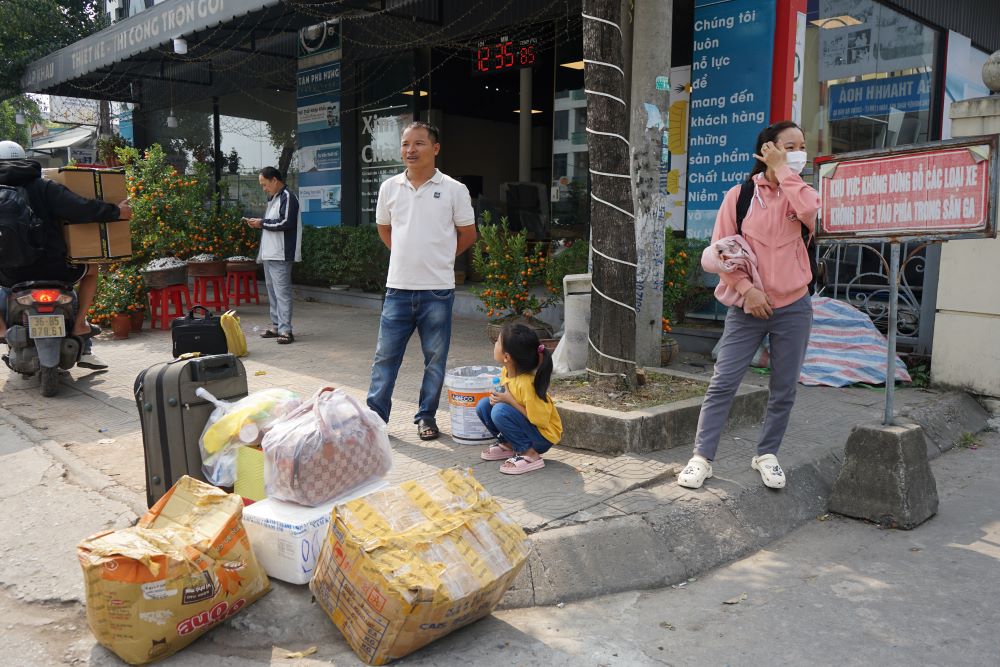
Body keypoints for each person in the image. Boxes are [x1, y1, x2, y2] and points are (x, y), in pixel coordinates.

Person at [678, 121, 819, 490]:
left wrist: (784, 170)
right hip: (746, 307)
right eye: (790, 146)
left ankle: (767, 454)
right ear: (767, 150)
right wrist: (746, 290)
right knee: (723, 382)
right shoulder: (739, 195)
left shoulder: (800, 192)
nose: (799, 151)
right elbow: (719, 251)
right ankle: (701, 457)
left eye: (801, 145)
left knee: (784, 387)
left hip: (794, 306)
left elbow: (810, 211)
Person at [366, 121, 478, 440]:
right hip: (398, 289)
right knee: (385, 357)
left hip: (437, 292)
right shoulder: (389, 187)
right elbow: (384, 229)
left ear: (435, 148)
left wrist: (442, 258)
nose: (410, 150)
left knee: (435, 359)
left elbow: (468, 233)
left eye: (418, 143)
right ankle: (375, 421)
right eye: (405, 144)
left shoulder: (454, 189)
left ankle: (426, 416)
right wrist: (403, 253)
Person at [0, 140, 131, 369]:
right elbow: (81, 208)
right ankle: (80, 324)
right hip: (57, 269)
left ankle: (1, 328)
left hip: (11, 273)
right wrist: (116, 212)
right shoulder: (45, 186)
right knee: (92, 270)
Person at [477, 323, 562, 475]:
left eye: (497, 342)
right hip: (529, 429)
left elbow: (540, 421)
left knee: (499, 411)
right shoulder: (506, 372)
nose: (494, 344)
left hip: (542, 437)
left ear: (506, 357)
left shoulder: (527, 384)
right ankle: (508, 445)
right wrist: (499, 398)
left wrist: (509, 401)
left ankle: (530, 454)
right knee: (484, 405)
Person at [244, 166, 300, 345]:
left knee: (282, 293)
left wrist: (262, 223)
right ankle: (277, 326)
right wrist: (260, 223)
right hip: (270, 253)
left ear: (274, 180)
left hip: (281, 253)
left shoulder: (288, 197)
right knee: (273, 292)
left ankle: (286, 330)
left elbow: (286, 222)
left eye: (265, 184)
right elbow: (272, 223)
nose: (264, 188)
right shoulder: (274, 198)